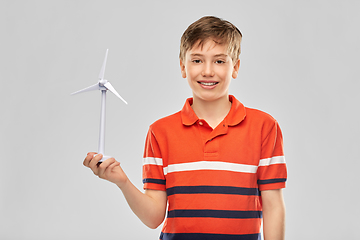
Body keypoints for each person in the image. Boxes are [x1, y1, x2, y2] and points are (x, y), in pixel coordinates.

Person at [83, 16, 287, 240]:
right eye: (197, 60)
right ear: (182, 66)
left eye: (219, 61)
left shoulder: (264, 127)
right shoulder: (160, 132)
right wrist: (122, 182)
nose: (208, 71)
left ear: (235, 67)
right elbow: (153, 217)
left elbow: (273, 206)